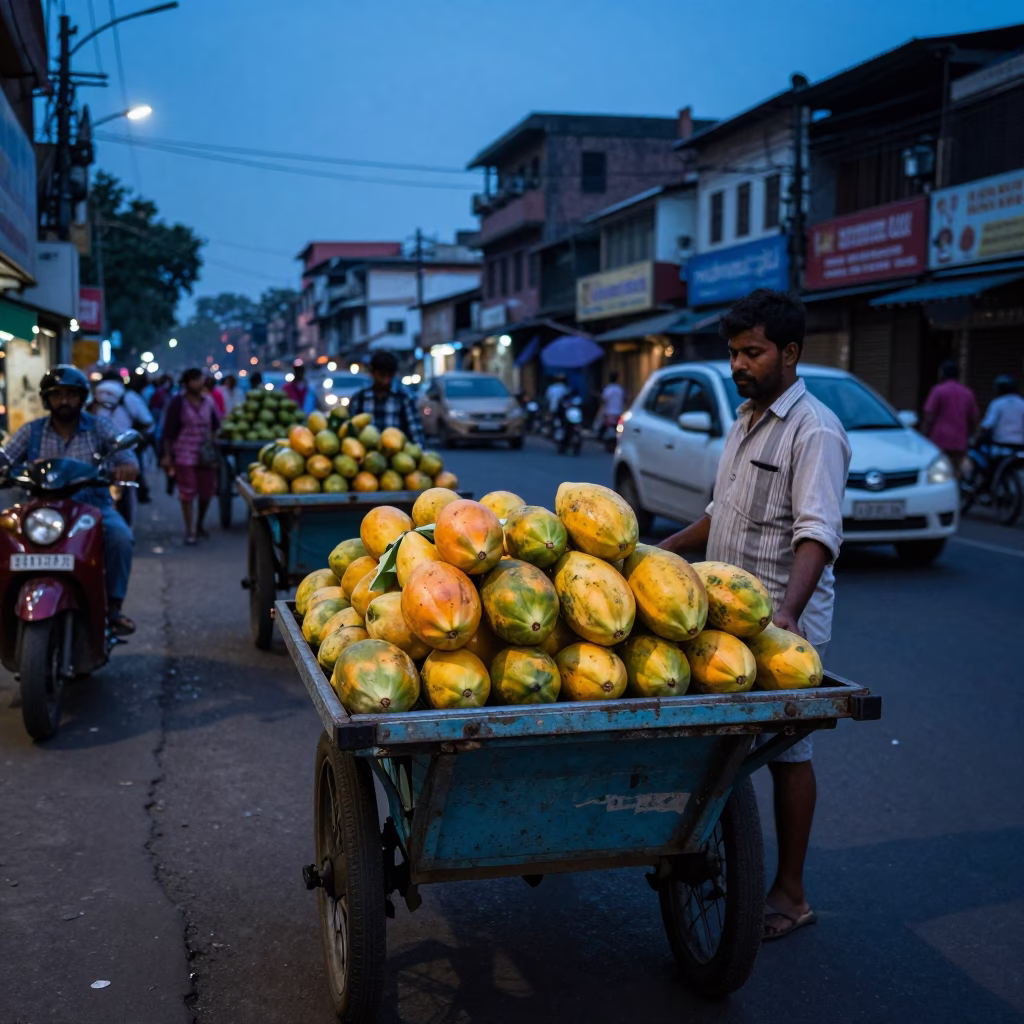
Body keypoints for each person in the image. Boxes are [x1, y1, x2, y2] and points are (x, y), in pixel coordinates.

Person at [658, 289, 851, 942]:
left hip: (778, 626)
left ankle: (791, 894)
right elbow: (721, 512)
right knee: (717, 744)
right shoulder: (744, 420)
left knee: (791, 755)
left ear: (790, 353)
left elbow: (818, 532)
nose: (739, 364)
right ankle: (707, 848)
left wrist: (791, 611)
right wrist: (658, 553)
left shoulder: (815, 430)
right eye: (734, 352)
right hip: (720, 616)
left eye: (753, 352)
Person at [1, 365, 137, 635]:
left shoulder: (99, 427)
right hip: (41, 511)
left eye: (71, 395)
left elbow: (126, 456)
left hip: (91, 508)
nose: (64, 401)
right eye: (57, 395)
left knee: (120, 537)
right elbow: (6, 458)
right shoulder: (32, 431)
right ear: (46, 399)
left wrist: (126, 466)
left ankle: (114, 608)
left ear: (82, 398)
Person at [161, 368, 221, 545]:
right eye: (194, 380)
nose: (198, 383)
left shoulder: (208, 402)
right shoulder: (177, 403)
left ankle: (200, 523)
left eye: (199, 380)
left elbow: (216, 425)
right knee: (187, 493)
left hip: (205, 454)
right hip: (184, 453)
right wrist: (166, 455)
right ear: (186, 383)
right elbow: (168, 432)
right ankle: (190, 530)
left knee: (206, 492)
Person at [348, 350, 426, 447]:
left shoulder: (404, 399)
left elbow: (416, 433)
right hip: (366, 456)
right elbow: (349, 430)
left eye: (389, 376)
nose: (385, 381)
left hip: (397, 456)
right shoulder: (359, 399)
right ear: (373, 373)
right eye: (382, 375)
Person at [922, 361, 979, 476]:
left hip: (939, 440)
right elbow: (974, 417)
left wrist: (925, 433)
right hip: (960, 441)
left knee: (937, 474)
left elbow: (929, 415)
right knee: (956, 474)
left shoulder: (938, 391)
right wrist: (971, 435)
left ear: (942, 374)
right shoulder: (967, 393)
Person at [980, 374, 1024, 448]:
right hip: (1020, 445)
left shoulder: (997, 403)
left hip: (1000, 445)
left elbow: (988, 425)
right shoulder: (1022, 403)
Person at [597, 371, 625, 439]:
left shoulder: (608, 389)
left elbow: (604, 400)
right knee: (618, 428)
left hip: (609, 412)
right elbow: (624, 400)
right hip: (618, 412)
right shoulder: (620, 389)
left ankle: (599, 437)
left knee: (602, 427)